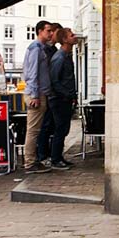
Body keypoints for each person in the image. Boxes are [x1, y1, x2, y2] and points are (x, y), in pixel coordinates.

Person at [21, 20, 57, 173]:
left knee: (35, 130)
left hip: (39, 92)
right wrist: (35, 94)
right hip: (37, 94)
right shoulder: (36, 49)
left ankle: (32, 161)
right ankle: (30, 163)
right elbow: (32, 73)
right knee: (33, 130)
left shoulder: (39, 48)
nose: (50, 34)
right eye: (48, 31)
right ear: (40, 31)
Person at [46, 28, 79, 170]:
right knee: (60, 129)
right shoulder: (59, 57)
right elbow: (54, 80)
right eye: (71, 35)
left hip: (64, 98)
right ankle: (55, 159)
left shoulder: (66, 55)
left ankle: (58, 157)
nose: (75, 37)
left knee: (64, 129)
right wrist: (67, 95)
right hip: (59, 99)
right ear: (65, 40)